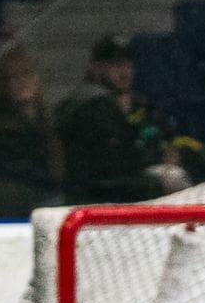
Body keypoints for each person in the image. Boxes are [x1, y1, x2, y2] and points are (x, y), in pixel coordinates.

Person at [56, 34, 191, 204]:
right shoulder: (87, 110)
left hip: (133, 204)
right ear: (96, 68)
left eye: (128, 64)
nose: (124, 71)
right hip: (93, 208)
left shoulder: (143, 108)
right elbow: (105, 175)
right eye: (115, 64)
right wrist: (156, 183)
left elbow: (164, 145)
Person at [0, 48, 62, 219]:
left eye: (26, 73)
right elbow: (9, 181)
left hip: (48, 207)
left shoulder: (49, 123)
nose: (22, 81)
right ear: (2, 85)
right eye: (13, 77)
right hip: (15, 213)